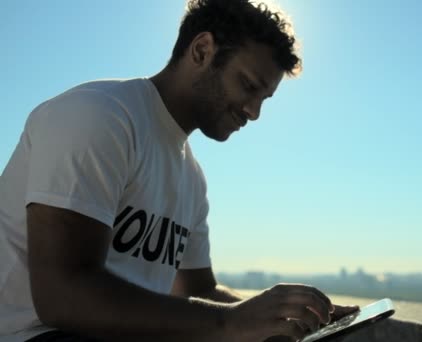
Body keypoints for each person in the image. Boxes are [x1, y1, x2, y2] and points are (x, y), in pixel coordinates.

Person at [0, 0, 358, 341]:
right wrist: (230, 323)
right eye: (248, 85)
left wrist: (282, 321)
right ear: (202, 51)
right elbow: (62, 297)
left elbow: (199, 292)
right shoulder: (99, 116)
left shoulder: (191, 177)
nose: (253, 112)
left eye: (264, 99)